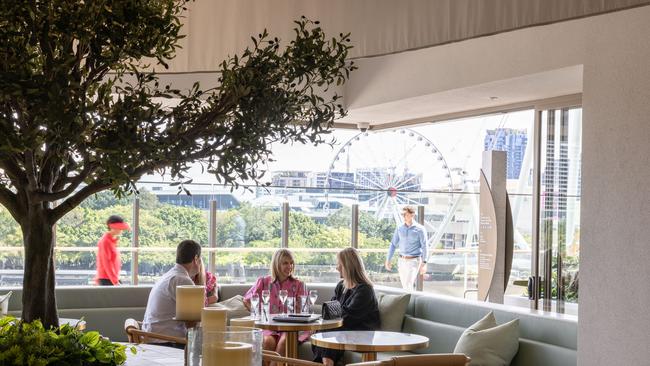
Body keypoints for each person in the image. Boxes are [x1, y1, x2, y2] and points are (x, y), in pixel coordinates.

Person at [312, 248, 380, 366]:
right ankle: (326, 362)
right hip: (344, 330)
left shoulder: (364, 290)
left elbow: (346, 317)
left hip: (361, 333)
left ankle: (327, 363)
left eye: (339, 264)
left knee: (328, 331)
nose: (337, 267)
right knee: (320, 332)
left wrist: (330, 317)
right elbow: (330, 311)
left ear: (349, 266)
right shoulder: (341, 286)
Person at [243, 249, 307, 358]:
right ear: (277, 264)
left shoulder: (299, 284)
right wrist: (258, 314)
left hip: (290, 327)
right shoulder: (263, 282)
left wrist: (298, 309)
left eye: (291, 263)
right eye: (285, 263)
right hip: (269, 327)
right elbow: (247, 300)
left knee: (284, 342)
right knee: (268, 342)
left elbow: (304, 310)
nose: (290, 266)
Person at [142, 240, 203, 344]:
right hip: (166, 342)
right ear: (196, 259)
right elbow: (192, 322)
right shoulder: (182, 280)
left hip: (152, 336)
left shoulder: (169, 275)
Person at [385, 206, 428, 290]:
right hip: (401, 261)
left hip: (414, 261)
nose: (404, 217)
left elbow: (425, 246)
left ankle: (409, 302)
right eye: (403, 215)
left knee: (408, 284)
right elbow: (393, 244)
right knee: (405, 285)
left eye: (406, 214)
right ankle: (412, 301)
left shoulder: (420, 229)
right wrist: (388, 259)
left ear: (412, 215)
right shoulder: (399, 228)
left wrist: (424, 263)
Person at [95, 215, 130, 286]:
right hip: (106, 279)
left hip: (111, 278)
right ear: (111, 227)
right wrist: (115, 282)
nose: (121, 230)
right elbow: (107, 263)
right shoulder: (105, 241)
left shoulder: (111, 241)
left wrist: (116, 279)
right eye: (119, 228)